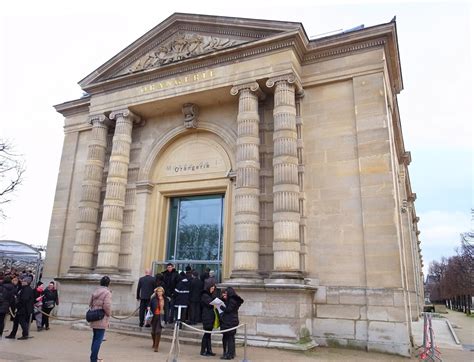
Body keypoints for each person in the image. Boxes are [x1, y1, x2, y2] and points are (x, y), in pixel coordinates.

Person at [89, 276, 112, 362]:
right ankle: (93, 359)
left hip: (94, 315)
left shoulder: (95, 291)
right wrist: (109, 314)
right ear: (108, 283)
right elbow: (107, 306)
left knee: (95, 338)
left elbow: (90, 303)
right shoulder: (107, 293)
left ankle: (94, 357)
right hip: (102, 317)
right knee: (99, 339)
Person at [219, 287, 244, 360]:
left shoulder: (232, 300)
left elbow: (228, 310)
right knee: (231, 338)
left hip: (230, 321)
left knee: (229, 338)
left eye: (226, 293)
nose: (225, 294)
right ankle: (231, 353)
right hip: (232, 320)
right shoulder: (233, 300)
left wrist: (222, 307)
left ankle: (229, 354)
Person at [200, 281, 217, 357]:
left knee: (208, 334)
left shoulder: (209, 295)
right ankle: (203, 350)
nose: (212, 290)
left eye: (213, 289)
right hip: (207, 316)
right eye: (212, 288)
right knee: (206, 334)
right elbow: (210, 303)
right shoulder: (205, 295)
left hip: (210, 316)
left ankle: (209, 350)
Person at [148, 286, 165, 352]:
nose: (159, 292)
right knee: (153, 332)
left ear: (163, 292)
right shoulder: (153, 298)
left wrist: (166, 319)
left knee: (158, 331)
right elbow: (149, 304)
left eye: (160, 291)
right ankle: (154, 342)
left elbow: (166, 307)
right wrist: (149, 307)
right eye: (158, 291)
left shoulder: (165, 299)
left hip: (161, 316)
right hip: (154, 316)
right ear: (156, 292)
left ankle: (156, 347)